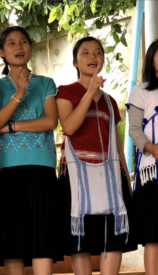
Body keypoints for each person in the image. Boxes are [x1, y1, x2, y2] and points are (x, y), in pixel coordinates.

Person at [56, 36, 136, 275]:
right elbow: (68, 128)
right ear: (75, 62)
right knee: (80, 240)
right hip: (75, 174)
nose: (93, 57)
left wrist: (126, 178)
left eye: (98, 53)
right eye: (86, 53)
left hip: (109, 175)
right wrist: (90, 92)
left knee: (113, 239)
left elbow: (117, 146)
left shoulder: (110, 101)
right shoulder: (65, 91)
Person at [0, 26, 62, 275]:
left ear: (30, 47)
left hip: (42, 167)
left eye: (23, 42)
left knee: (42, 238)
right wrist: (18, 93)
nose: (19, 47)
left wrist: (12, 126)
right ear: (1, 52)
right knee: (13, 241)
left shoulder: (46, 83)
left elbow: (50, 121)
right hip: (6, 169)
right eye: (11, 43)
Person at [127, 39, 158, 275]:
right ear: (151, 59)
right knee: (153, 236)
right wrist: (154, 149)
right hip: (152, 173)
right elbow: (134, 130)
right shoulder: (140, 91)